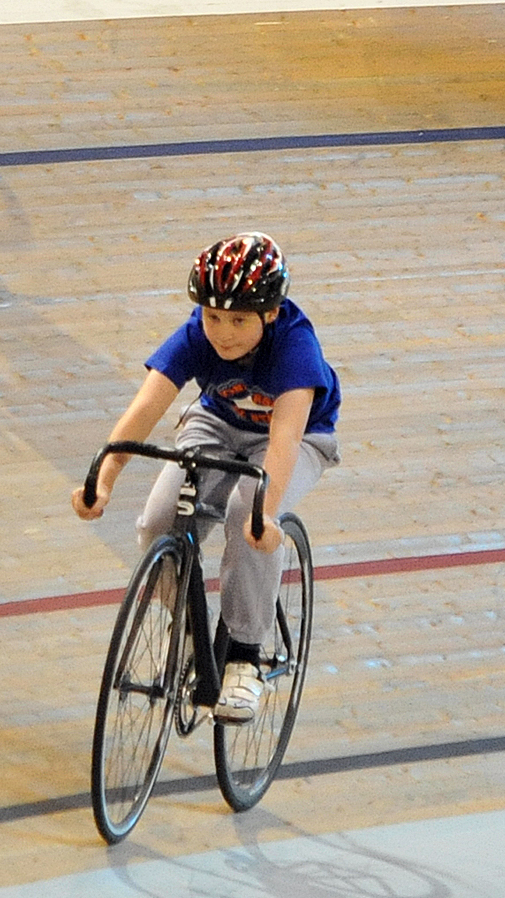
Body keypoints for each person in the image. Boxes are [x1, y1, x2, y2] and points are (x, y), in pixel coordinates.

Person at [70, 233, 340, 724]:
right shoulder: (200, 332)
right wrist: (104, 478)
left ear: (271, 313)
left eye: (239, 321)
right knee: (158, 522)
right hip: (217, 421)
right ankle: (191, 635)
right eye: (213, 317)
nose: (223, 332)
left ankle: (245, 655)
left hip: (297, 437)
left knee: (246, 514)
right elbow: (148, 404)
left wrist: (265, 512)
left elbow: (283, 440)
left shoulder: (295, 347)